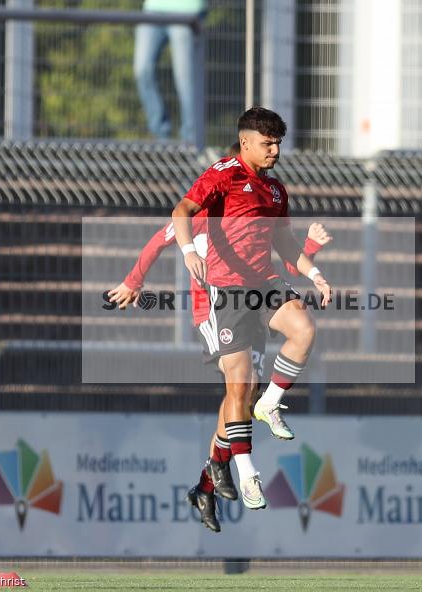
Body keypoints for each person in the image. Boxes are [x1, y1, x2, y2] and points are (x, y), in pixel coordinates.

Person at [107, 213, 332, 531]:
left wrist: (310, 246)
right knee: (240, 389)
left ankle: (206, 485)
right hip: (213, 307)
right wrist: (133, 281)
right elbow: (160, 239)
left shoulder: (255, 209)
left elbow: (290, 265)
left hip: (251, 308)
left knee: (243, 396)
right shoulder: (204, 211)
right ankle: (221, 472)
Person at [171, 107, 331, 515]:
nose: (275, 150)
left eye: (278, 142)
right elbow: (181, 212)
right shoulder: (222, 174)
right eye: (267, 143)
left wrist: (314, 273)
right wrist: (189, 251)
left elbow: (286, 244)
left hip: (264, 283)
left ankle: (271, 404)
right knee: (239, 387)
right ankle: (245, 473)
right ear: (245, 143)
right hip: (225, 294)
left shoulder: (275, 190)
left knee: (304, 330)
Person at [133, 0, 206, 143]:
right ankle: (161, 136)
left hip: (187, 10)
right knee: (141, 71)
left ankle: (191, 142)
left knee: (185, 79)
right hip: (153, 8)